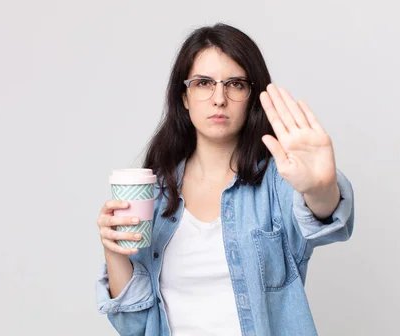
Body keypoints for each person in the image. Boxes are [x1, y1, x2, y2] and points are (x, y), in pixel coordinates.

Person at [95, 22, 355, 336]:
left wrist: (321, 188)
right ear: (185, 97)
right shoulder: (156, 193)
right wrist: (113, 250)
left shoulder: (278, 180)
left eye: (235, 84)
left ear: (252, 96)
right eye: (204, 83)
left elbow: (324, 214)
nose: (219, 98)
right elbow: (134, 324)